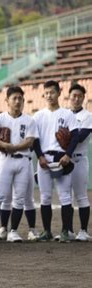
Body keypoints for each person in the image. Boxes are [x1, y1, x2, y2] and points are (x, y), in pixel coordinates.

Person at [0, 86, 38, 242]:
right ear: (7, 101)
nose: (18, 101)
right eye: (14, 98)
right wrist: (5, 145)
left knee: (19, 198)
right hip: (6, 160)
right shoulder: (0, 118)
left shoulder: (29, 120)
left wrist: (13, 147)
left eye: (20, 98)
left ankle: (13, 231)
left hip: (24, 161)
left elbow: (30, 141)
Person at [32, 80, 80, 242]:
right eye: (46, 93)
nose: (49, 95)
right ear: (43, 95)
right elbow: (34, 140)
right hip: (44, 158)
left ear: (59, 93)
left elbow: (75, 137)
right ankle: (47, 231)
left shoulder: (67, 114)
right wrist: (39, 156)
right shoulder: (38, 116)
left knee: (65, 196)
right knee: (45, 197)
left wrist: (68, 155)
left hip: (61, 158)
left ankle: (66, 231)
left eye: (52, 92)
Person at [68, 83, 92, 241]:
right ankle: (68, 230)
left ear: (84, 98)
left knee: (81, 196)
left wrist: (62, 136)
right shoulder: (64, 114)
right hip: (65, 159)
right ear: (69, 97)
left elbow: (80, 137)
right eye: (74, 96)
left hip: (79, 159)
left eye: (79, 96)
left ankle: (83, 231)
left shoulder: (88, 116)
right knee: (66, 197)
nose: (76, 99)